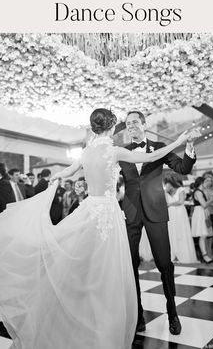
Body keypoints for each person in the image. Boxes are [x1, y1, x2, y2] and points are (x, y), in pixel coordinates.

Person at [0, 108, 191, 349]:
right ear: (111, 127)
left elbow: (67, 171)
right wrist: (179, 141)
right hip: (109, 214)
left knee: (90, 266)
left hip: (90, 211)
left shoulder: (87, 152)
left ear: (94, 128)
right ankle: (111, 319)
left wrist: (52, 181)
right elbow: (153, 157)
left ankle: (88, 313)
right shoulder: (114, 150)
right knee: (112, 269)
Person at [119, 111, 199, 335]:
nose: (131, 126)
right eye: (128, 124)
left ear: (144, 124)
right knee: (131, 266)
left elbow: (183, 168)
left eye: (135, 122)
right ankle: (138, 316)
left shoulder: (159, 146)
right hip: (131, 214)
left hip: (155, 210)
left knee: (165, 264)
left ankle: (172, 313)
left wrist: (189, 146)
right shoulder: (121, 152)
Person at [164, 176, 199, 264]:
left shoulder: (181, 189)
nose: (166, 185)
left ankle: (183, 254)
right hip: (170, 213)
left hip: (179, 213)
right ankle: (173, 254)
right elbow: (165, 202)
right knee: (172, 232)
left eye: (167, 183)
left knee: (181, 231)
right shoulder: (166, 191)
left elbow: (181, 201)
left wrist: (170, 204)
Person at [191, 177, 213, 264]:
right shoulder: (198, 192)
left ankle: (205, 255)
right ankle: (205, 256)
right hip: (199, 213)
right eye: (205, 181)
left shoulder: (200, 191)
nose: (207, 183)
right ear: (201, 183)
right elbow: (204, 205)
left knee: (203, 235)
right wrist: (210, 200)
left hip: (201, 213)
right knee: (203, 235)